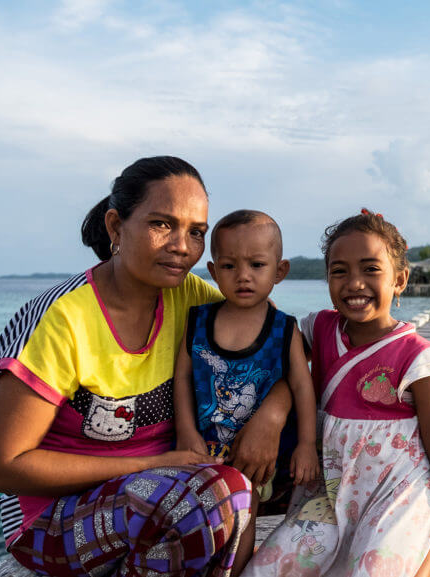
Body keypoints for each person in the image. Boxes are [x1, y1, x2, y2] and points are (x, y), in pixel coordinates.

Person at [0, 156, 292, 577]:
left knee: (279, 469)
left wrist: (272, 414)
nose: (182, 246)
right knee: (220, 492)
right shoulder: (65, 319)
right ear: (116, 226)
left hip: (165, 498)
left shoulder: (191, 298)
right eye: (162, 224)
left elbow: (282, 350)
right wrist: (148, 465)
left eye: (196, 233)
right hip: (50, 522)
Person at [246, 209, 430, 577]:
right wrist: (270, 415)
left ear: (400, 279)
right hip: (328, 495)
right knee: (265, 570)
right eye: (339, 271)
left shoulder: (418, 358)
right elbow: (274, 347)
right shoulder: (320, 330)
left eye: (371, 269)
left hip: (398, 495)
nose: (354, 283)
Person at [173, 209, 319, 575]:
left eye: (256, 265)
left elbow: (303, 387)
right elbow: (182, 380)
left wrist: (306, 444)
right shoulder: (198, 321)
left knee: (244, 512)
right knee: (198, 516)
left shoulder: (283, 329)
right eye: (229, 266)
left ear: (279, 271)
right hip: (203, 447)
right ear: (212, 269)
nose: (243, 276)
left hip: (257, 457)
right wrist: (186, 432)